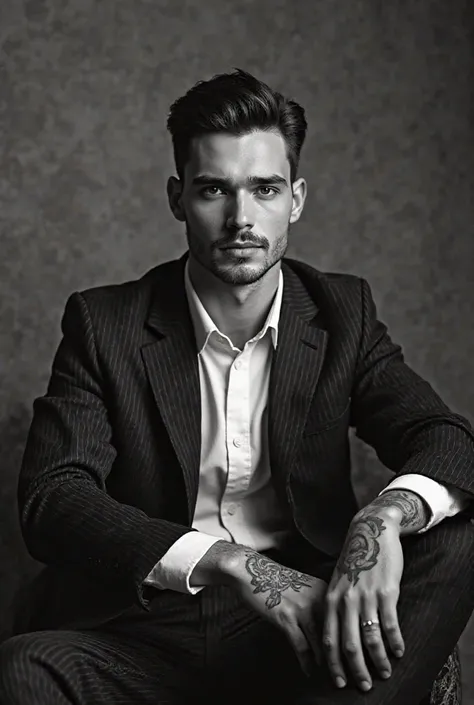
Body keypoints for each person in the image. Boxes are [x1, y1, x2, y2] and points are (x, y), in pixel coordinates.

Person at [0, 69, 473, 705]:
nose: (240, 218)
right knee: (25, 669)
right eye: (213, 190)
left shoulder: (341, 313)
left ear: (296, 200)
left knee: (458, 531)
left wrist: (382, 518)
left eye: (265, 189)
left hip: (304, 628)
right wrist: (232, 564)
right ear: (176, 198)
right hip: (150, 627)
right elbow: (53, 499)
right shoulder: (103, 322)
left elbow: (446, 438)